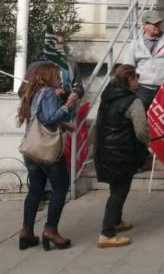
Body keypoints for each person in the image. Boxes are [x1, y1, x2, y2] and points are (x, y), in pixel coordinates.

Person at [16, 62, 80, 251]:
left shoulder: (33, 92)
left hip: (32, 149)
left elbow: (40, 118)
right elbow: (49, 118)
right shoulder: (49, 93)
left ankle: (26, 231)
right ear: (48, 76)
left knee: (35, 189)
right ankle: (50, 230)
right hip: (47, 151)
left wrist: (65, 125)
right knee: (60, 187)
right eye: (57, 75)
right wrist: (68, 105)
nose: (60, 79)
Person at [92, 64, 149, 249]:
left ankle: (116, 221)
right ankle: (107, 233)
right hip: (122, 152)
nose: (138, 80)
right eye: (136, 77)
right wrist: (149, 143)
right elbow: (141, 131)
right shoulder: (133, 101)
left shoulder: (108, 95)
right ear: (130, 80)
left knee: (117, 188)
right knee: (118, 192)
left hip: (105, 149)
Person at [127, 10, 164, 109]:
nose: (158, 26)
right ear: (145, 25)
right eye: (154, 24)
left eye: (159, 23)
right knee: (142, 120)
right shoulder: (135, 43)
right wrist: (132, 85)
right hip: (142, 89)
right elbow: (129, 67)